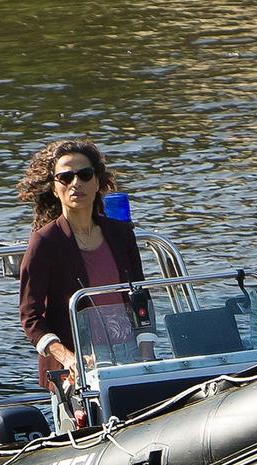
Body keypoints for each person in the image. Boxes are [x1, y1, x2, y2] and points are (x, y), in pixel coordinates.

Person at [16, 139, 154, 417]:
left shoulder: (122, 234)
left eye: (84, 175)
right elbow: (31, 318)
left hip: (128, 355)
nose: (75, 183)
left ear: (97, 182)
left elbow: (141, 298)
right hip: (74, 366)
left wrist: (147, 353)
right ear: (54, 188)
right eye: (65, 177)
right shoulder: (44, 242)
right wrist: (69, 358)